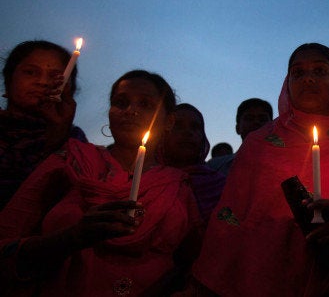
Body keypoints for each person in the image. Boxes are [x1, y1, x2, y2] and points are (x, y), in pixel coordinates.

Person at [188, 43, 329, 296]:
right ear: (287, 83)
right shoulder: (258, 144)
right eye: (298, 72)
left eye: (320, 71)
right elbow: (231, 221)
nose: (308, 78)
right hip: (258, 281)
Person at [0, 70, 203, 296]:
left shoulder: (177, 185)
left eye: (145, 104)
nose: (131, 111)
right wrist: (71, 238)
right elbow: (5, 242)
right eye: (121, 103)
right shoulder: (70, 160)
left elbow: (194, 262)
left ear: (169, 121)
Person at [0, 40, 87, 209]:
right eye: (31, 72)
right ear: (9, 80)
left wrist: (58, 134)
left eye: (55, 77)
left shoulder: (74, 139)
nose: (42, 82)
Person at [162, 103, 226, 224]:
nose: (188, 132)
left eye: (195, 127)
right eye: (178, 125)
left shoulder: (220, 186)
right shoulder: (146, 179)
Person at [207, 97, 273, 175]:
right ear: (238, 128)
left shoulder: (286, 163)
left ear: (273, 128)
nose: (256, 122)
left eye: (262, 119)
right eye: (249, 119)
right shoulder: (214, 167)